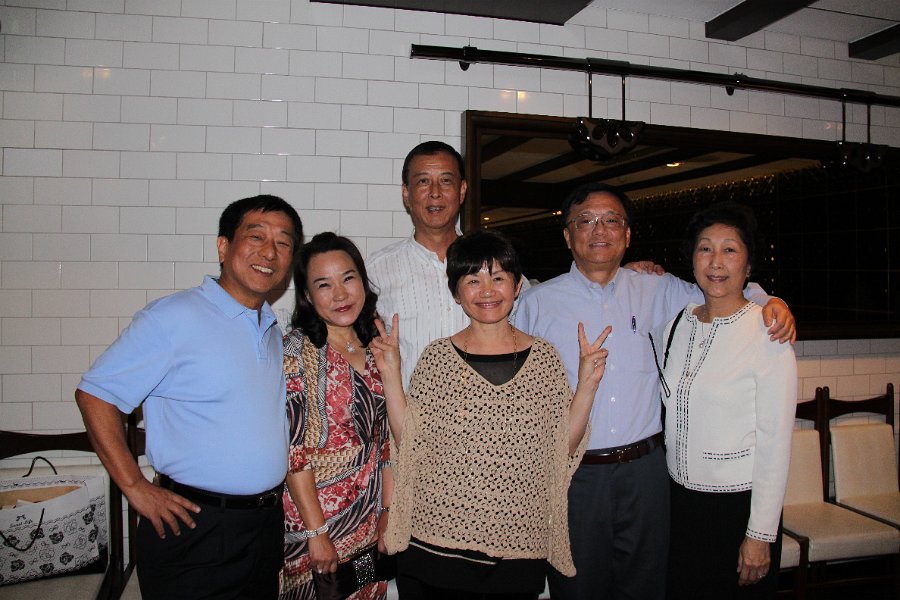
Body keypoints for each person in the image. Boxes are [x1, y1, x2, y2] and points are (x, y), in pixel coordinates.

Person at [514, 182, 796, 600]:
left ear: (627, 235)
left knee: (646, 586)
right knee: (576, 587)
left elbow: (721, 287)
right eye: (585, 221)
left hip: (647, 474)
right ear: (568, 236)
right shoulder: (536, 304)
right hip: (574, 475)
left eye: (612, 220)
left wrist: (771, 301)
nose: (599, 230)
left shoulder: (660, 290)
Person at [75, 194, 303, 599]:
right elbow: (96, 395)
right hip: (194, 527)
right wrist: (134, 486)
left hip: (264, 527)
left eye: (283, 243)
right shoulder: (172, 317)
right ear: (223, 246)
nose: (270, 252)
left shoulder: (270, 328)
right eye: (256, 237)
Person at [373, 230, 611, 600]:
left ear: (517, 286)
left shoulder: (544, 359)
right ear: (456, 293)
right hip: (436, 538)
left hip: (518, 543)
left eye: (498, 277)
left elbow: (560, 449)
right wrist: (391, 374)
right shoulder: (436, 359)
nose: (487, 291)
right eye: (473, 280)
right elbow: (411, 444)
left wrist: (587, 385)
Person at [662, 203, 797, 599]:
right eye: (705, 248)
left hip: (738, 507)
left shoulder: (767, 333)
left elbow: (775, 443)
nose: (716, 261)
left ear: (749, 265)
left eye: (730, 250)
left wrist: (760, 534)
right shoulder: (675, 325)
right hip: (679, 504)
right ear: (692, 259)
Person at [280, 232, 395, 600]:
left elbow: (387, 439)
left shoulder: (378, 343)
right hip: (316, 522)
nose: (341, 294)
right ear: (307, 295)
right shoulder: (295, 351)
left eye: (348, 278)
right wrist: (317, 533)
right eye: (324, 285)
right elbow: (293, 453)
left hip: (368, 519)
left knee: (365, 592)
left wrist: (388, 509)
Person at [367, 140, 473, 388]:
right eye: (423, 181)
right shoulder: (375, 271)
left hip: (483, 411)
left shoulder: (490, 264)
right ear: (406, 193)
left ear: (462, 190)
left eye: (446, 180)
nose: (435, 192)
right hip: (408, 412)